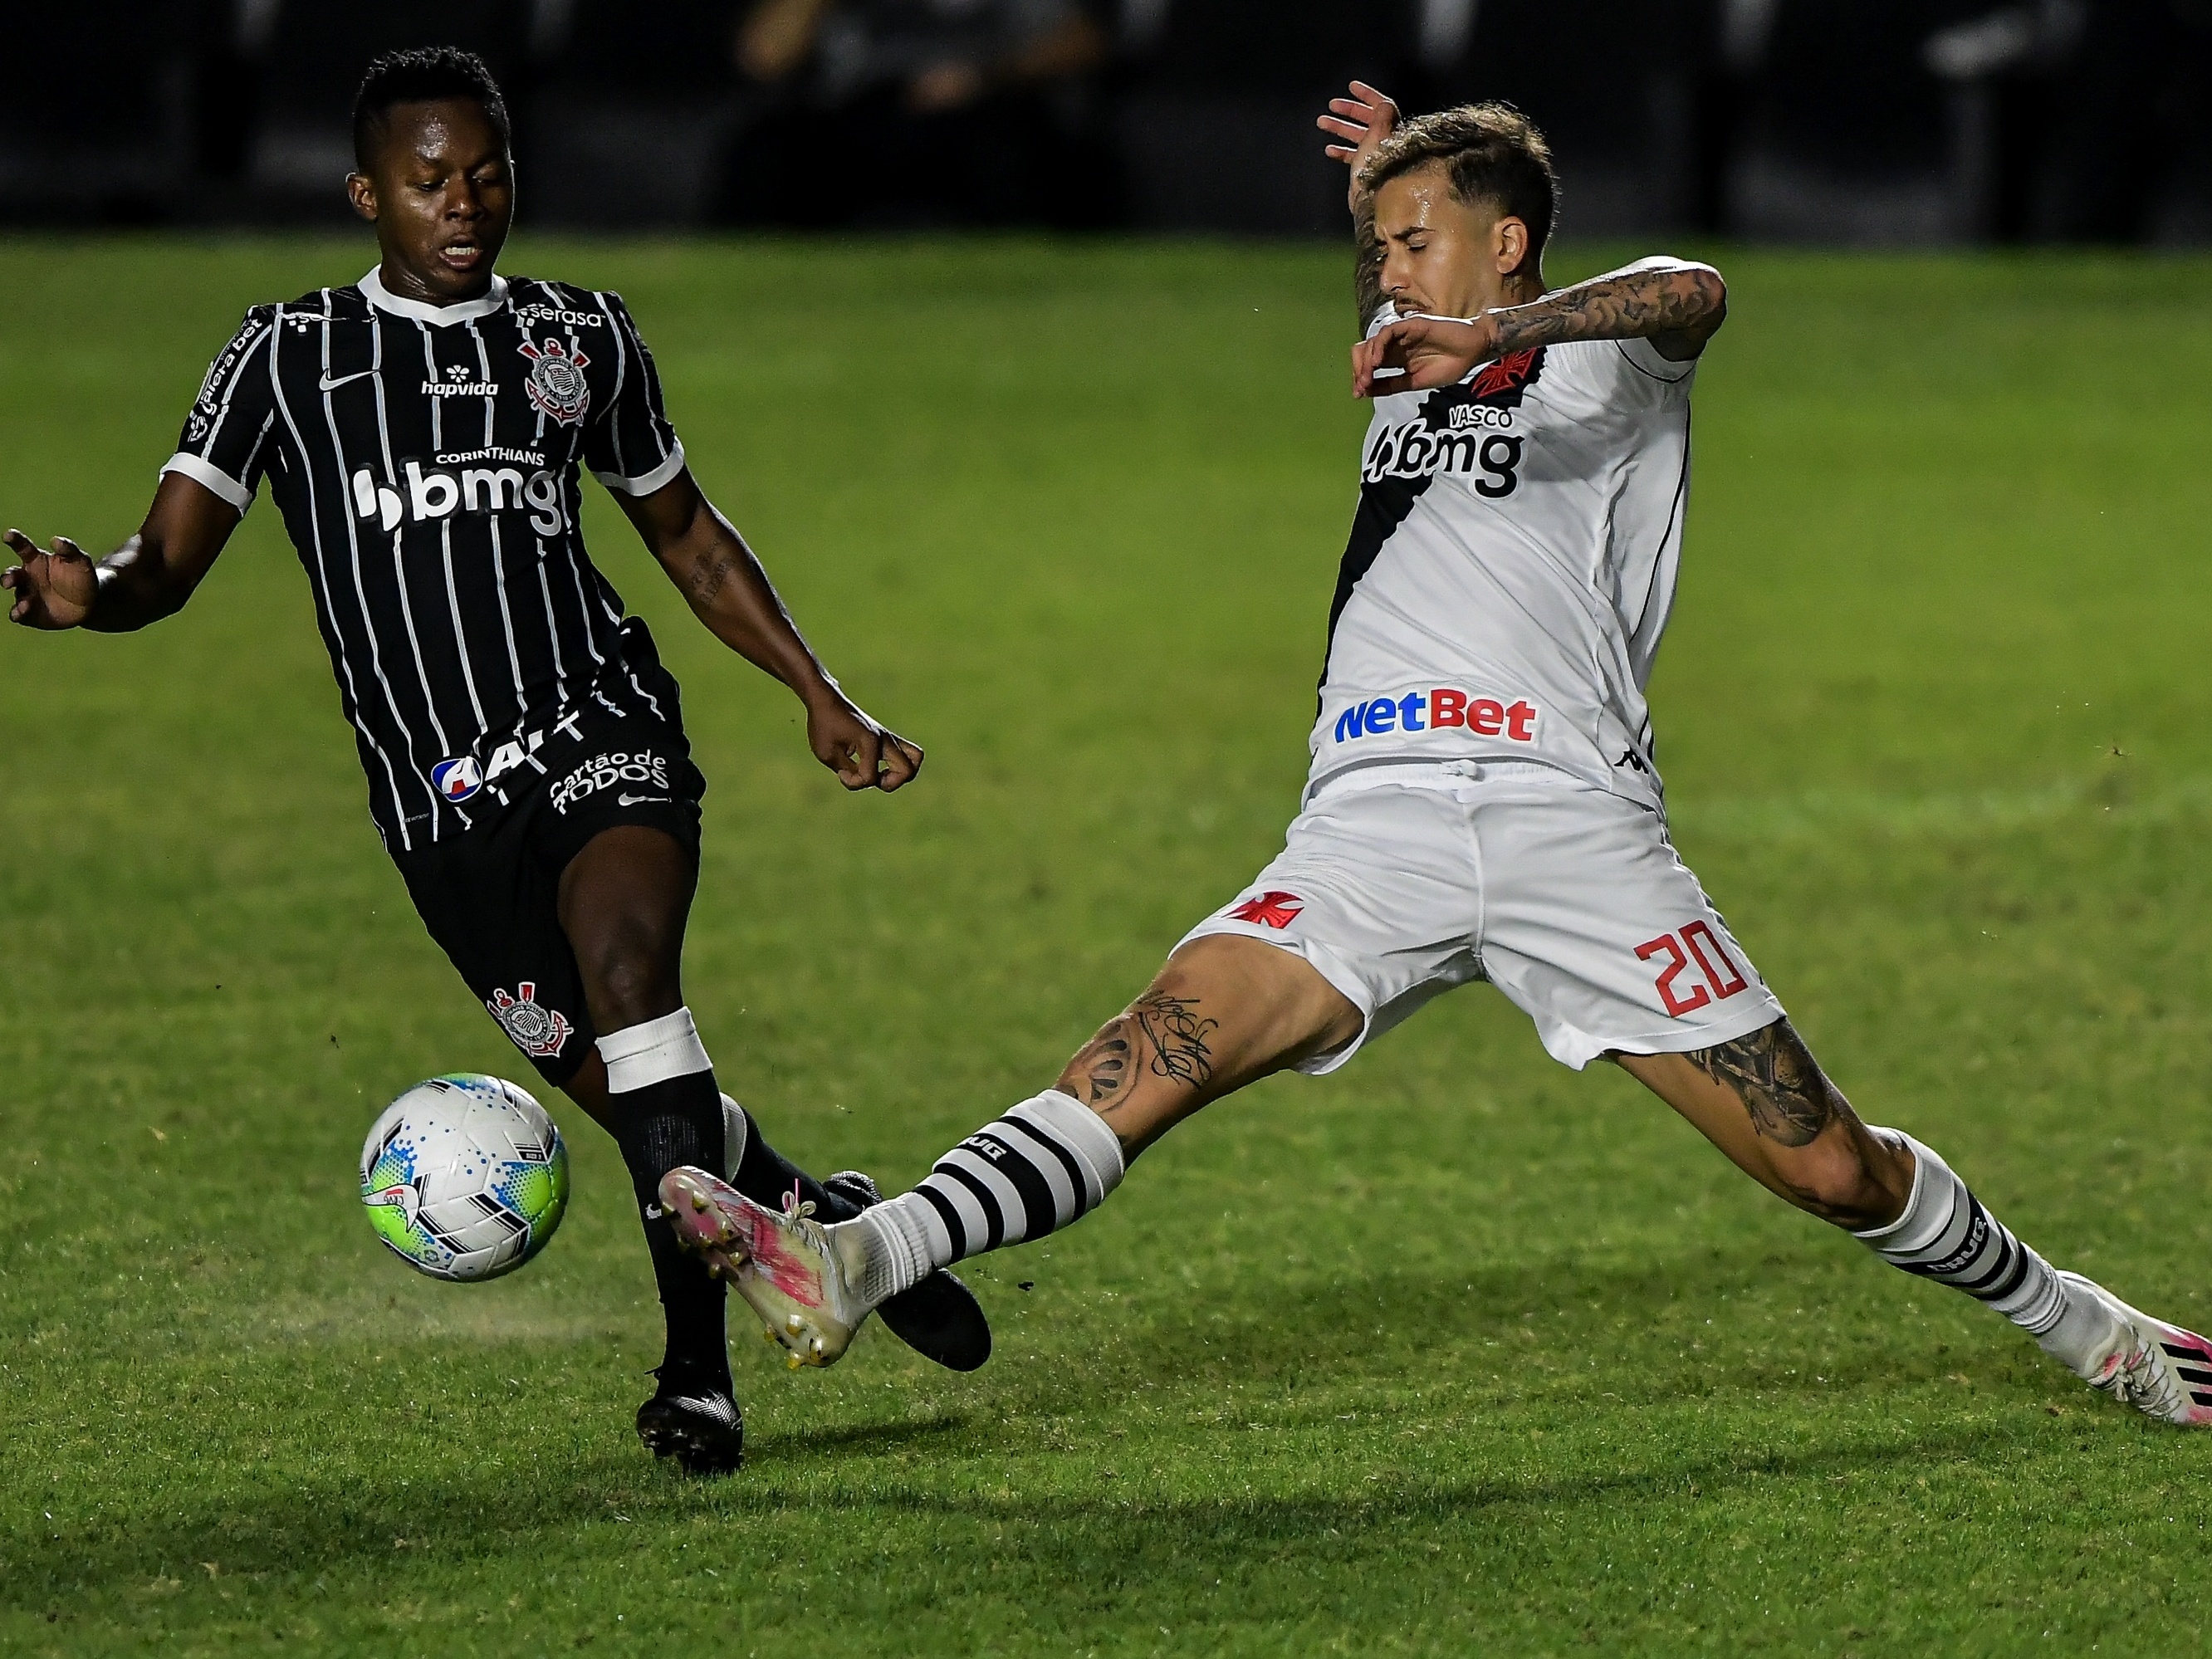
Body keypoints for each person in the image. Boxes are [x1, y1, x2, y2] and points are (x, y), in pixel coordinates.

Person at [654, 81, 2212, 1427]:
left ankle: (2091, 1326)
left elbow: (1697, 286)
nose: (1384, 273)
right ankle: (864, 1258)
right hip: (1372, 821)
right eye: (1375, 250)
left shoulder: (1606, 360)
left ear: (1510, 242)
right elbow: (1409, 313)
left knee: (1831, 1171)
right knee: (1154, 1046)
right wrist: (1396, 197)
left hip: (1570, 821)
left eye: (1409, 240)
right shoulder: (1400, 373)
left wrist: (1494, 316)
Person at [1, 46, 990, 1476]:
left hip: (601, 726)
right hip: (438, 807)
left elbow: (689, 537)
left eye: (486, 175)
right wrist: (93, 588)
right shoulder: (285, 357)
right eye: (427, 182)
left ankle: (698, 1378)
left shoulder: (578, 336)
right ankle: (831, 1225)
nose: (463, 206)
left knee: (637, 984)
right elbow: (164, 558)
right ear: (363, 195)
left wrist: (816, 693)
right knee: (638, 1099)